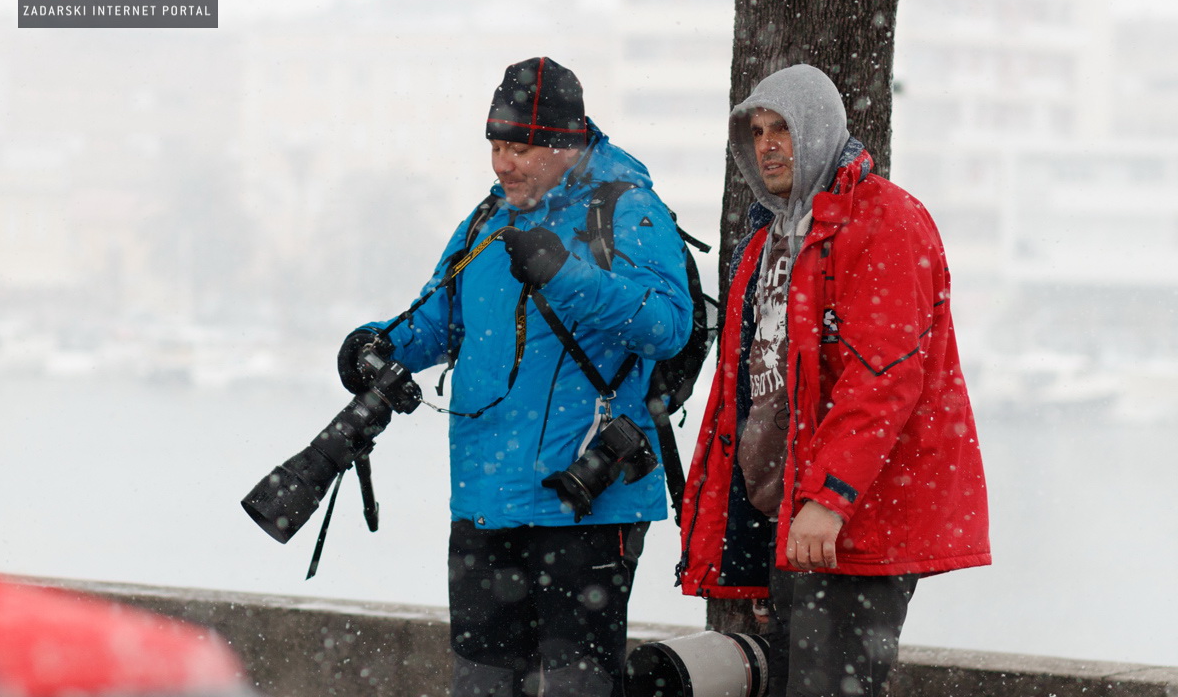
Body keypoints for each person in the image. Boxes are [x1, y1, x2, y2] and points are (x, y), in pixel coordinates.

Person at [338, 56, 693, 697]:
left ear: (566, 142)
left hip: (585, 503)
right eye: (496, 145)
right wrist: (377, 344)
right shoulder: (487, 217)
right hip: (485, 500)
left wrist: (567, 276)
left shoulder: (628, 209)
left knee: (572, 688)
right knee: (481, 685)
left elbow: (669, 325)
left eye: (521, 147)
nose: (504, 163)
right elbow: (439, 321)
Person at [678, 64, 990, 697]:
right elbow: (743, 391)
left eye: (783, 129)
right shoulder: (768, 238)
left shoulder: (885, 220)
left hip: (850, 517)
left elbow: (882, 378)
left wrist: (830, 498)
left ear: (819, 131)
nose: (767, 145)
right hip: (789, 518)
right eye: (757, 131)